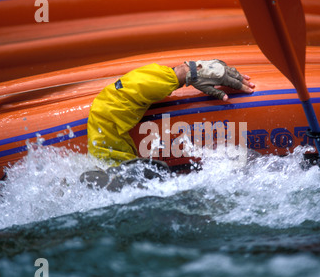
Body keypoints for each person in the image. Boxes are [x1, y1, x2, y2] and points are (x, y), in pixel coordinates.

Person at [80, 60, 255, 191]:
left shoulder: (104, 189)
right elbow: (106, 113)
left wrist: (182, 73)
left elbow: (105, 114)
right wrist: (185, 71)